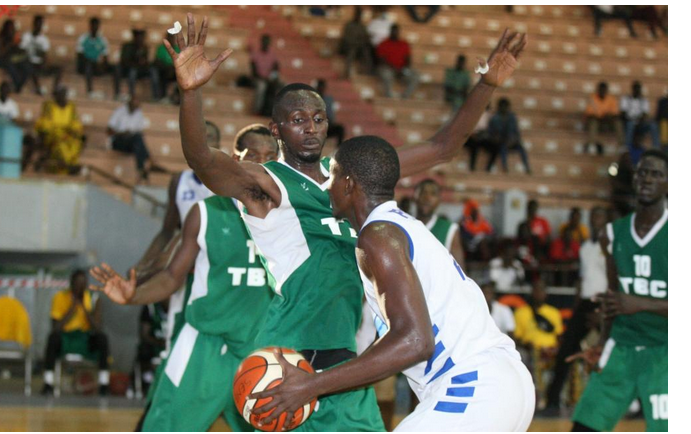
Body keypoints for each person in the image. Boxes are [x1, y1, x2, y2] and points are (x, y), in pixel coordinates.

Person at [163, 15, 526, 431]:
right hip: (294, 350)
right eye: (298, 120)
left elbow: (442, 147)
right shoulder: (268, 183)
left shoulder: (352, 174)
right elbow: (204, 161)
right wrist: (190, 94)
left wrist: (486, 85)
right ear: (277, 129)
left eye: (318, 118)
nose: (311, 128)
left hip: (347, 358)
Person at [249, 136, 535, 431]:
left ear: (348, 184)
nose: (325, 186)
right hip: (503, 383)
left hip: (472, 387)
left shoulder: (376, 236)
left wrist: (311, 385)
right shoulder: (400, 226)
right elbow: (402, 340)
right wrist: (325, 383)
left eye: (331, 176)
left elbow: (415, 342)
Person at [90, 127, 278, 432]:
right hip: (205, 344)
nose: (261, 164)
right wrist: (132, 295)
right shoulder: (205, 213)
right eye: (253, 155)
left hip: (262, 348)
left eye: (271, 157)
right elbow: (171, 275)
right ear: (235, 159)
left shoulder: (291, 219)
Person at [570, 150, 667, 432]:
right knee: (584, 427)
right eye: (643, 172)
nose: (647, 178)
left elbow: (628, 301)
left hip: (666, 351)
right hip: (621, 348)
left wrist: (641, 303)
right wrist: (601, 343)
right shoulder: (611, 234)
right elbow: (614, 300)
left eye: (657, 174)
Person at [543, 206, 608, 413]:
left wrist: (603, 311)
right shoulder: (586, 247)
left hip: (605, 304)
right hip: (584, 303)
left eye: (598, 217)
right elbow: (582, 278)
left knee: (612, 352)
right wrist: (577, 305)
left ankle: (634, 402)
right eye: (593, 216)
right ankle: (553, 401)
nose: (595, 220)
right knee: (566, 350)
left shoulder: (612, 246)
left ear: (606, 222)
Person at [41, 270, 110, 396]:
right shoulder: (60, 297)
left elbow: (97, 327)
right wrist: (73, 307)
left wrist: (83, 307)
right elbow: (56, 327)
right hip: (66, 337)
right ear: (71, 284)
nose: (80, 287)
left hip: (85, 338)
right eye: (77, 284)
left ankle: (104, 384)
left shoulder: (94, 298)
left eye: (83, 284)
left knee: (102, 338)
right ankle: (48, 383)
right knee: (52, 338)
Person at [414, 179, 464, 267]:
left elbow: (461, 272)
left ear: (439, 200)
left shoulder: (450, 229)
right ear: (415, 196)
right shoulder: (403, 225)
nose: (427, 198)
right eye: (423, 192)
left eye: (433, 194)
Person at [34, 85, 84, 174]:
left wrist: (72, 131)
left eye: (64, 94)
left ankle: (71, 165)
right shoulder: (49, 105)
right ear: (55, 96)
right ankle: (69, 166)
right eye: (60, 94)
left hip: (67, 134)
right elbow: (45, 124)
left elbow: (75, 123)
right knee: (61, 144)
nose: (62, 96)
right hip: (52, 134)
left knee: (76, 142)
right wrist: (58, 132)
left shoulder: (71, 106)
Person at [107, 94, 154, 182]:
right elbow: (109, 130)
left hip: (131, 143)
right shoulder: (119, 111)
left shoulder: (139, 114)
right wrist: (122, 133)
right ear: (130, 102)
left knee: (138, 140)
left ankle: (142, 167)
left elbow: (138, 131)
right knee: (138, 140)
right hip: (118, 141)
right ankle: (149, 162)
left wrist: (129, 134)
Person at [513, 278, 563, 353]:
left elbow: (559, 336)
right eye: (536, 290)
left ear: (546, 293)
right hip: (530, 352)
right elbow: (516, 338)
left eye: (542, 290)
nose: (539, 293)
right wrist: (526, 345)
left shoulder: (554, 312)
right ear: (532, 292)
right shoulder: (520, 312)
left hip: (550, 351)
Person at [486, 97, 531, 173]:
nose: (504, 109)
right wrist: (497, 139)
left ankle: (527, 167)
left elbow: (516, 132)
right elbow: (491, 133)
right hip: (500, 142)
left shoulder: (512, 117)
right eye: (502, 106)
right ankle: (505, 168)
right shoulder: (494, 118)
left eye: (505, 107)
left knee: (522, 149)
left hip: (512, 141)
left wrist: (513, 140)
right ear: (499, 107)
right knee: (502, 149)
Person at [20, 15, 62, 95]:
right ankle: (37, 89)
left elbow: (45, 55)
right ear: (34, 24)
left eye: (40, 24)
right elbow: (22, 51)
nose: (39, 26)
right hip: (28, 62)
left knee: (58, 69)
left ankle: (55, 91)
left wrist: (45, 62)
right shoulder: (26, 36)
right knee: (30, 67)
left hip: (39, 63)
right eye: (37, 23)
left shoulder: (44, 39)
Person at [376, 24, 420, 99]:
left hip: (401, 70)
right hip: (388, 69)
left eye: (396, 31)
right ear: (390, 32)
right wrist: (394, 69)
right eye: (393, 31)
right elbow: (381, 60)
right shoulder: (383, 44)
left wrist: (403, 69)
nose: (395, 33)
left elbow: (408, 60)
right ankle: (388, 96)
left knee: (416, 76)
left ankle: (405, 96)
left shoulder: (404, 44)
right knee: (386, 74)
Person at [114, 29, 158, 101]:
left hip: (141, 70)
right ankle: (131, 95)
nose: (140, 39)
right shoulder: (127, 46)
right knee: (132, 72)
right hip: (128, 69)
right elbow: (124, 60)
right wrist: (136, 62)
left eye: (141, 37)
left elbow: (145, 61)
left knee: (153, 71)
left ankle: (156, 97)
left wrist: (143, 63)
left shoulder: (144, 47)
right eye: (138, 37)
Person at [621, 81, 660, 154]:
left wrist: (639, 119)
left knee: (653, 125)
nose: (637, 91)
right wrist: (632, 119)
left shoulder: (644, 100)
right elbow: (623, 112)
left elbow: (645, 113)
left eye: (638, 89)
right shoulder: (626, 99)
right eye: (635, 89)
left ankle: (656, 147)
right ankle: (627, 147)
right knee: (630, 124)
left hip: (640, 124)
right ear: (632, 89)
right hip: (629, 122)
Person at [584, 81, 623, 153]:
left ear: (606, 90)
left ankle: (621, 145)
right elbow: (589, 114)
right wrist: (600, 116)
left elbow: (615, 114)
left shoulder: (611, 99)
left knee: (618, 123)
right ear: (598, 90)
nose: (602, 91)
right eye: (600, 90)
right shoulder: (592, 98)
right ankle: (592, 145)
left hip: (608, 122)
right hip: (597, 121)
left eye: (604, 90)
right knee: (593, 122)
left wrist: (607, 116)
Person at [76, 17, 110, 96]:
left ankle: (116, 94)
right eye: (93, 25)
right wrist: (91, 61)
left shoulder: (103, 40)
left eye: (96, 25)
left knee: (114, 68)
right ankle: (89, 91)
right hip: (84, 65)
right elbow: (80, 55)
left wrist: (101, 64)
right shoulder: (83, 38)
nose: (95, 27)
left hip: (97, 66)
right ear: (90, 26)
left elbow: (105, 56)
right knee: (88, 66)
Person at [0, 19, 32, 93]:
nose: (10, 30)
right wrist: (8, 43)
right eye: (9, 28)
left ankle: (19, 86)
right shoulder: (1, 37)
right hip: (3, 60)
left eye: (12, 28)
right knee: (10, 66)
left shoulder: (15, 37)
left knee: (28, 67)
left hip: (13, 59)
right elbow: (2, 52)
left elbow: (19, 49)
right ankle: (17, 86)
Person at [250, 34, 279, 115]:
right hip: (258, 79)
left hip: (269, 78)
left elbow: (276, 68)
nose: (266, 43)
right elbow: (254, 72)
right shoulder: (255, 54)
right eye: (264, 41)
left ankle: (277, 110)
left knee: (283, 84)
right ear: (261, 42)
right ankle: (257, 110)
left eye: (268, 42)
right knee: (261, 87)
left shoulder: (272, 54)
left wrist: (272, 77)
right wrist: (264, 78)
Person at [340, 6, 372, 78]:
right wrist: (356, 42)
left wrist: (363, 40)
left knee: (367, 53)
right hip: (350, 46)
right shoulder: (349, 25)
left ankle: (366, 72)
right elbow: (346, 38)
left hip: (360, 46)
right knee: (351, 53)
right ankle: (346, 73)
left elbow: (365, 36)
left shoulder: (362, 26)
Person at [316, 78, 345, 145]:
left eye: (322, 87)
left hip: (327, 125)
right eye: (319, 87)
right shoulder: (312, 100)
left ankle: (338, 149)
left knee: (340, 129)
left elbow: (331, 115)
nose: (320, 89)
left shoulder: (328, 99)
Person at [152, 32, 179, 102]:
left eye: (172, 37)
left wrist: (172, 68)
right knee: (161, 75)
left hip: (175, 71)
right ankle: (162, 96)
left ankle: (177, 98)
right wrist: (167, 68)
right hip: (164, 71)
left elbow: (180, 62)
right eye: (169, 37)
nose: (171, 39)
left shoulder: (177, 49)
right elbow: (157, 61)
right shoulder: (161, 48)